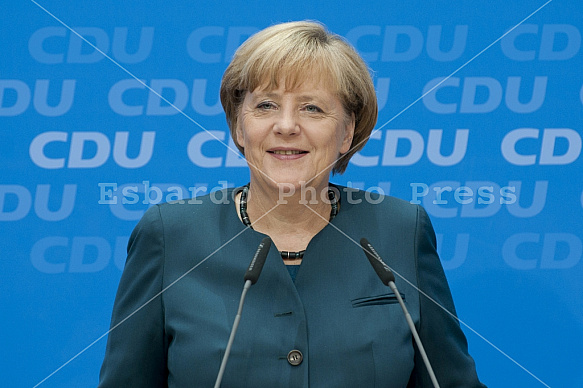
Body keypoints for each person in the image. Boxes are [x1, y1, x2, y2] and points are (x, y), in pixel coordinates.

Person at [99, 21, 485, 387]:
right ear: (238, 126)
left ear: (347, 132)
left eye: (312, 108)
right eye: (266, 105)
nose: (286, 125)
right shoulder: (170, 235)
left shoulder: (401, 230)